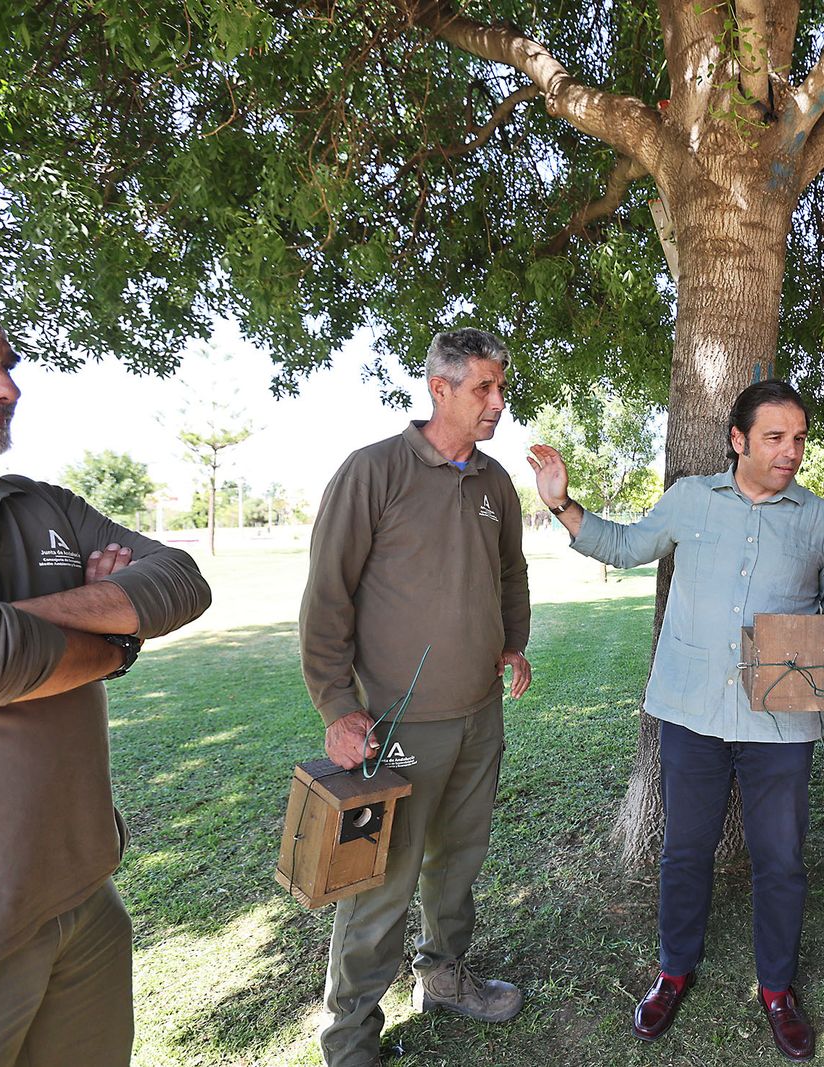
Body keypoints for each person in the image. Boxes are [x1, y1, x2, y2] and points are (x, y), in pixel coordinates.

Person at [527, 380, 824, 1061]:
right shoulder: (689, 499)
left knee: (780, 860)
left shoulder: (821, 517)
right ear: (738, 440)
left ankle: (777, 989)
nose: (790, 452)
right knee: (684, 852)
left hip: (782, 717)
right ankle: (673, 971)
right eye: (775, 437)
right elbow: (624, 546)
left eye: (799, 438)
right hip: (691, 712)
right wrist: (563, 503)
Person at [0, 291, 212, 1067]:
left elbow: (183, 582)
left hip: (86, 898)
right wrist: (115, 634)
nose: (7, 388)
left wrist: (9, 618)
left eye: (7, 365)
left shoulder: (41, 504)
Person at [300, 328, 532, 1067]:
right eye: (483, 388)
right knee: (380, 884)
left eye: (501, 387)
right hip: (395, 728)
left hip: (477, 716)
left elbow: (509, 575)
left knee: (458, 862)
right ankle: (350, 1038)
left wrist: (511, 642)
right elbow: (327, 597)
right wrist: (339, 707)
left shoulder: (494, 483)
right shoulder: (374, 471)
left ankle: (444, 977)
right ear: (440, 388)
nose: (497, 402)